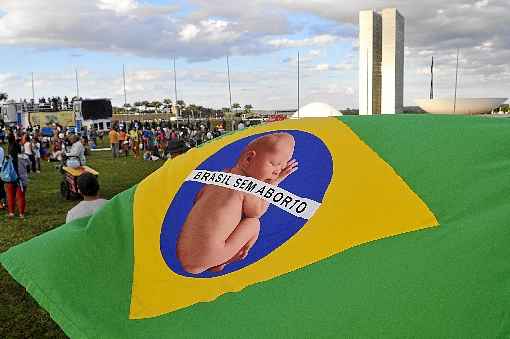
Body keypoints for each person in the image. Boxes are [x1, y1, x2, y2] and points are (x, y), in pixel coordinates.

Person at [176, 133, 298, 274]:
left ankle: (216, 257)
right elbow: (257, 211)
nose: (277, 171)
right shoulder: (246, 185)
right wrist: (274, 184)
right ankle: (226, 259)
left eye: (282, 168)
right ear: (248, 159)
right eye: (274, 164)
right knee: (253, 223)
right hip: (209, 256)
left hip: (183, 254)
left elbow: (198, 197)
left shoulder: (220, 176)